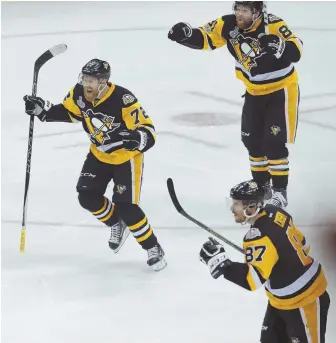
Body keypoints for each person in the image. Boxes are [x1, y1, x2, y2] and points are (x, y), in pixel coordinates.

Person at [23, 58, 167, 271]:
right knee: (87, 196)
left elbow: (149, 131)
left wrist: (138, 138)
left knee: (127, 206)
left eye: (92, 80)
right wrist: (42, 111)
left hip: (125, 158)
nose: (87, 84)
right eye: (85, 79)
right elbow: (69, 112)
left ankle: (153, 248)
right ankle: (115, 222)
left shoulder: (123, 99)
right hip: (98, 154)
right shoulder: (79, 93)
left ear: (104, 82)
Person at [168, 1, 303, 208]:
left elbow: (297, 49)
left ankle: (280, 192)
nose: (239, 14)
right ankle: (261, 187)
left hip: (280, 91)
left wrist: (282, 46)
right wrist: (185, 34)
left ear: (256, 12)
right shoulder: (227, 25)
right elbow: (205, 37)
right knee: (252, 142)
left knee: (273, 143)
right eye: (237, 9)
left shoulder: (273, 25)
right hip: (253, 92)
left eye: (244, 11)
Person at [199, 180, 330, 343]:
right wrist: (277, 258)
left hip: (305, 300)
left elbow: (252, 280)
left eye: (236, 204)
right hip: (281, 300)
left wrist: (224, 266)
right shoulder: (276, 212)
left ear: (251, 207)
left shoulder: (258, 236)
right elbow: (304, 245)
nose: (232, 209)